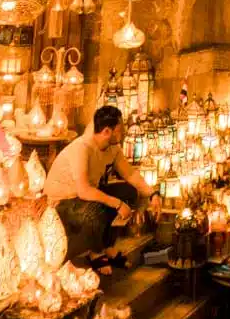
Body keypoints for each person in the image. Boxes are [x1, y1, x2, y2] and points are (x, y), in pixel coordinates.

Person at [45, 105, 162, 267]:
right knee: (98, 209)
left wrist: (152, 194)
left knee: (129, 192)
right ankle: (96, 252)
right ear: (107, 131)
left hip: (84, 195)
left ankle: (107, 246)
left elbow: (130, 174)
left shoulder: (112, 148)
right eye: (120, 129)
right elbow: (84, 190)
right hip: (62, 201)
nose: (124, 132)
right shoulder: (82, 148)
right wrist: (117, 204)